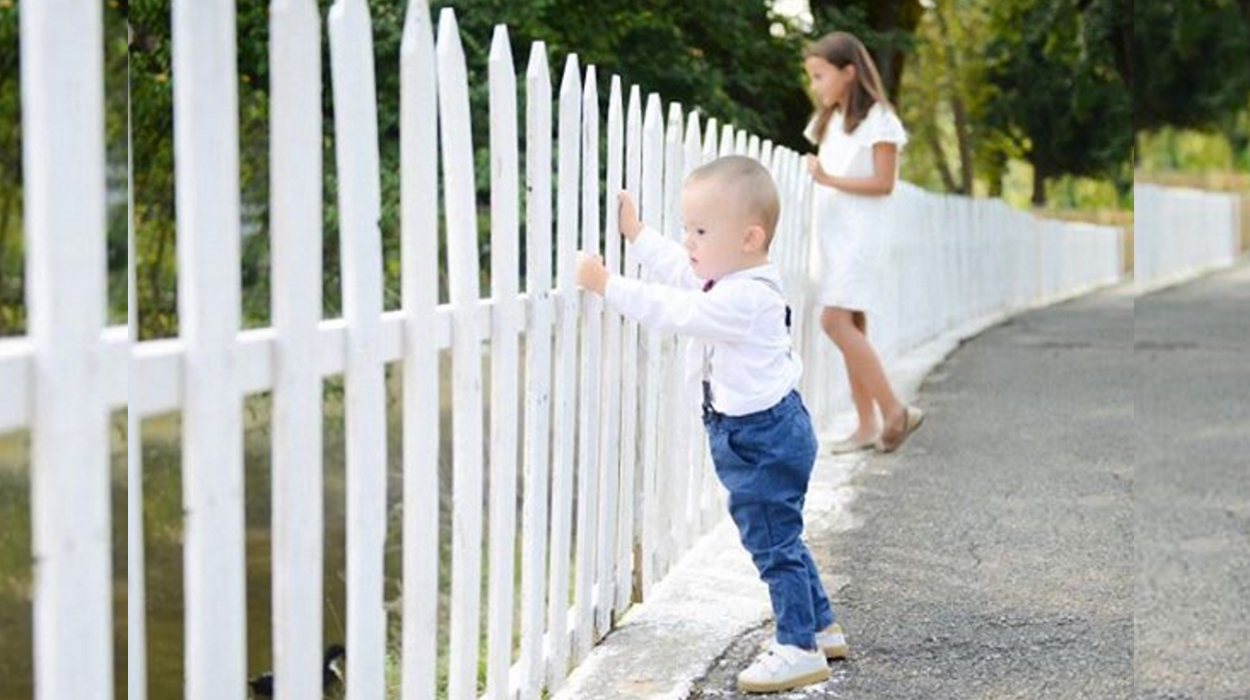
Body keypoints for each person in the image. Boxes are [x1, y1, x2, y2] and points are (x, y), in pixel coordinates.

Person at [576, 156, 847, 694]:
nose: (690, 242)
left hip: (761, 439)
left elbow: (673, 310)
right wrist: (639, 237)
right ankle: (819, 625)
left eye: (700, 231)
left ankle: (797, 647)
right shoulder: (728, 279)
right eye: (686, 229)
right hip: (764, 431)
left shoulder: (743, 299)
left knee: (773, 544)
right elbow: (681, 271)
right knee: (782, 536)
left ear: (749, 238)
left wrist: (608, 285)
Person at [802, 30, 924, 454]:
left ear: (849, 73)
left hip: (860, 241)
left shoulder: (880, 120)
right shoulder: (832, 122)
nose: (815, 86)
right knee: (851, 325)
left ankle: (894, 411)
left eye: (820, 76)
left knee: (833, 321)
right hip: (835, 240)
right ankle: (866, 424)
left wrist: (828, 178)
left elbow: (883, 182)